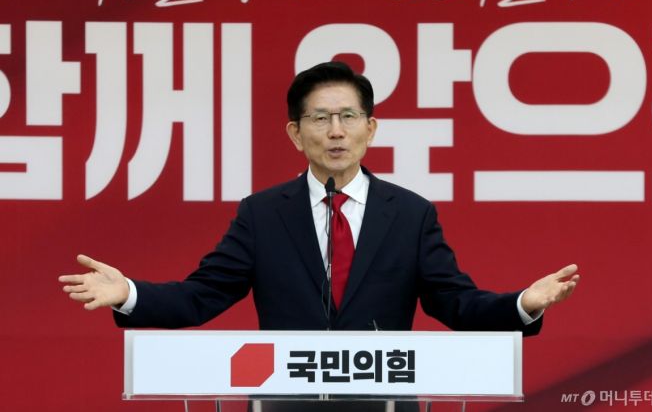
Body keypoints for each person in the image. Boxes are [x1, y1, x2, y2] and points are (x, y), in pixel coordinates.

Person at [60, 61, 579, 332]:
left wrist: (522, 304)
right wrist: (128, 293)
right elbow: (202, 296)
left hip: (381, 401)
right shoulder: (263, 214)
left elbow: (455, 303)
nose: (335, 131)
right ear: (295, 133)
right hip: (286, 401)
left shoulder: (410, 214)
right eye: (320, 118)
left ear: (370, 129)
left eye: (348, 116)